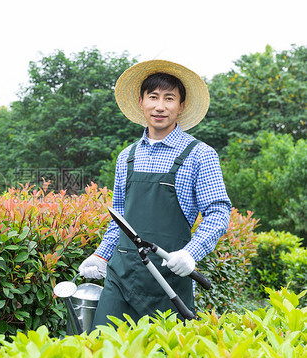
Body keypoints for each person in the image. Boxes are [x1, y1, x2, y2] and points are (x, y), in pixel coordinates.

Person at [79, 60, 231, 329]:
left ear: (181, 106)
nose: (160, 106)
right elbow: (120, 220)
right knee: (103, 354)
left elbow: (218, 213)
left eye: (169, 98)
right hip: (121, 279)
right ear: (141, 102)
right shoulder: (127, 157)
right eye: (153, 97)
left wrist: (190, 253)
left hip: (169, 280)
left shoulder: (200, 155)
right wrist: (100, 256)